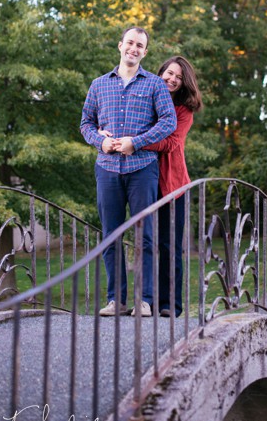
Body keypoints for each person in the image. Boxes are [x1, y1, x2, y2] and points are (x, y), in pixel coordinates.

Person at [80, 27, 176, 318]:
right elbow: (85, 123)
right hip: (107, 170)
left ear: (145, 53)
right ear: (120, 45)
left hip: (142, 169)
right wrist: (102, 141)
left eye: (140, 46)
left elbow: (168, 121)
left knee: (144, 236)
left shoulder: (155, 85)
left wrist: (137, 141)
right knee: (111, 235)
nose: (134, 49)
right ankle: (116, 301)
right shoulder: (98, 85)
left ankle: (144, 300)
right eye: (130, 43)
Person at [143, 56, 201, 318]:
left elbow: (170, 143)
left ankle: (171, 304)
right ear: (160, 73)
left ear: (184, 82)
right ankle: (146, 301)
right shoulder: (148, 100)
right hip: (143, 181)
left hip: (172, 185)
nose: (172, 79)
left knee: (169, 246)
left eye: (178, 76)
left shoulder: (183, 111)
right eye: (169, 73)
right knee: (147, 243)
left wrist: (135, 142)